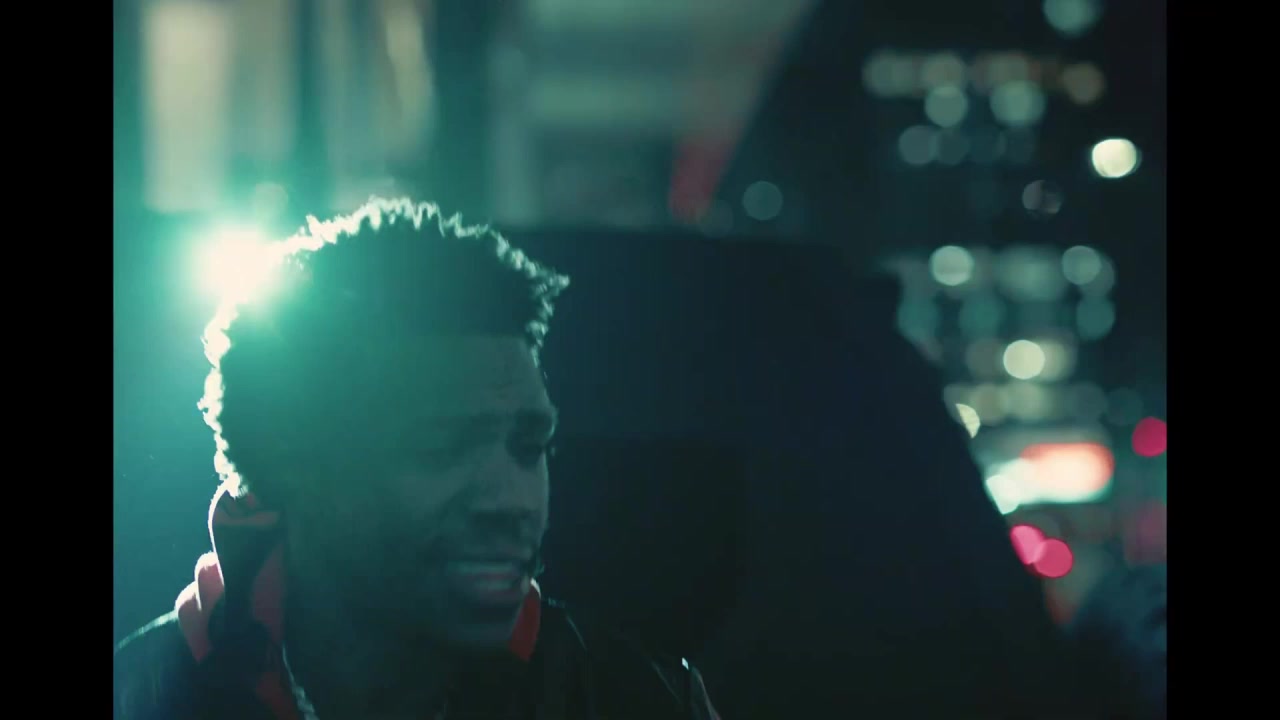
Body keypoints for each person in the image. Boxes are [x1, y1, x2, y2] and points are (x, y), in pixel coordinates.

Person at [113, 198, 721, 720]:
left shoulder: (636, 698)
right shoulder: (143, 698)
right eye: (441, 446)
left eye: (529, 446)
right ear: (285, 466)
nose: (512, 500)